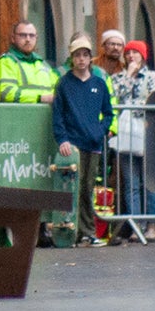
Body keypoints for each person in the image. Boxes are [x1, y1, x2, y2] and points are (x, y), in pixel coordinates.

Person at [53, 35, 114, 246]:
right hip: (73, 144)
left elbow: (108, 113)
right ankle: (75, 232)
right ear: (72, 58)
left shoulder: (99, 83)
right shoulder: (63, 84)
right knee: (74, 189)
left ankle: (88, 232)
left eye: (85, 55)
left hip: (93, 143)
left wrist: (101, 131)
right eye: (77, 55)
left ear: (90, 59)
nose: (81, 59)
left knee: (88, 189)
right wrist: (62, 139)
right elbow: (58, 114)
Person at [110, 39, 155, 239]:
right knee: (131, 182)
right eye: (128, 53)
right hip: (126, 133)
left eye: (135, 53)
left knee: (150, 181)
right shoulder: (118, 78)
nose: (131, 56)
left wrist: (137, 106)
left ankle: (152, 225)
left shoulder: (153, 76)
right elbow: (117, 97)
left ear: (143, 56)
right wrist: (128, 76)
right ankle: (136, 224)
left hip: (147, 131)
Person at [0, 21, 57, 104]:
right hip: (18, 115)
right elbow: (6, 93)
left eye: (32, 35)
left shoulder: (43, 64)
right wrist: (40, 98)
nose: (28, 39)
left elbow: (59, 91)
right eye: (23, 35)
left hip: (46, 116)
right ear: (13, 38)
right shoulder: (5, 62)